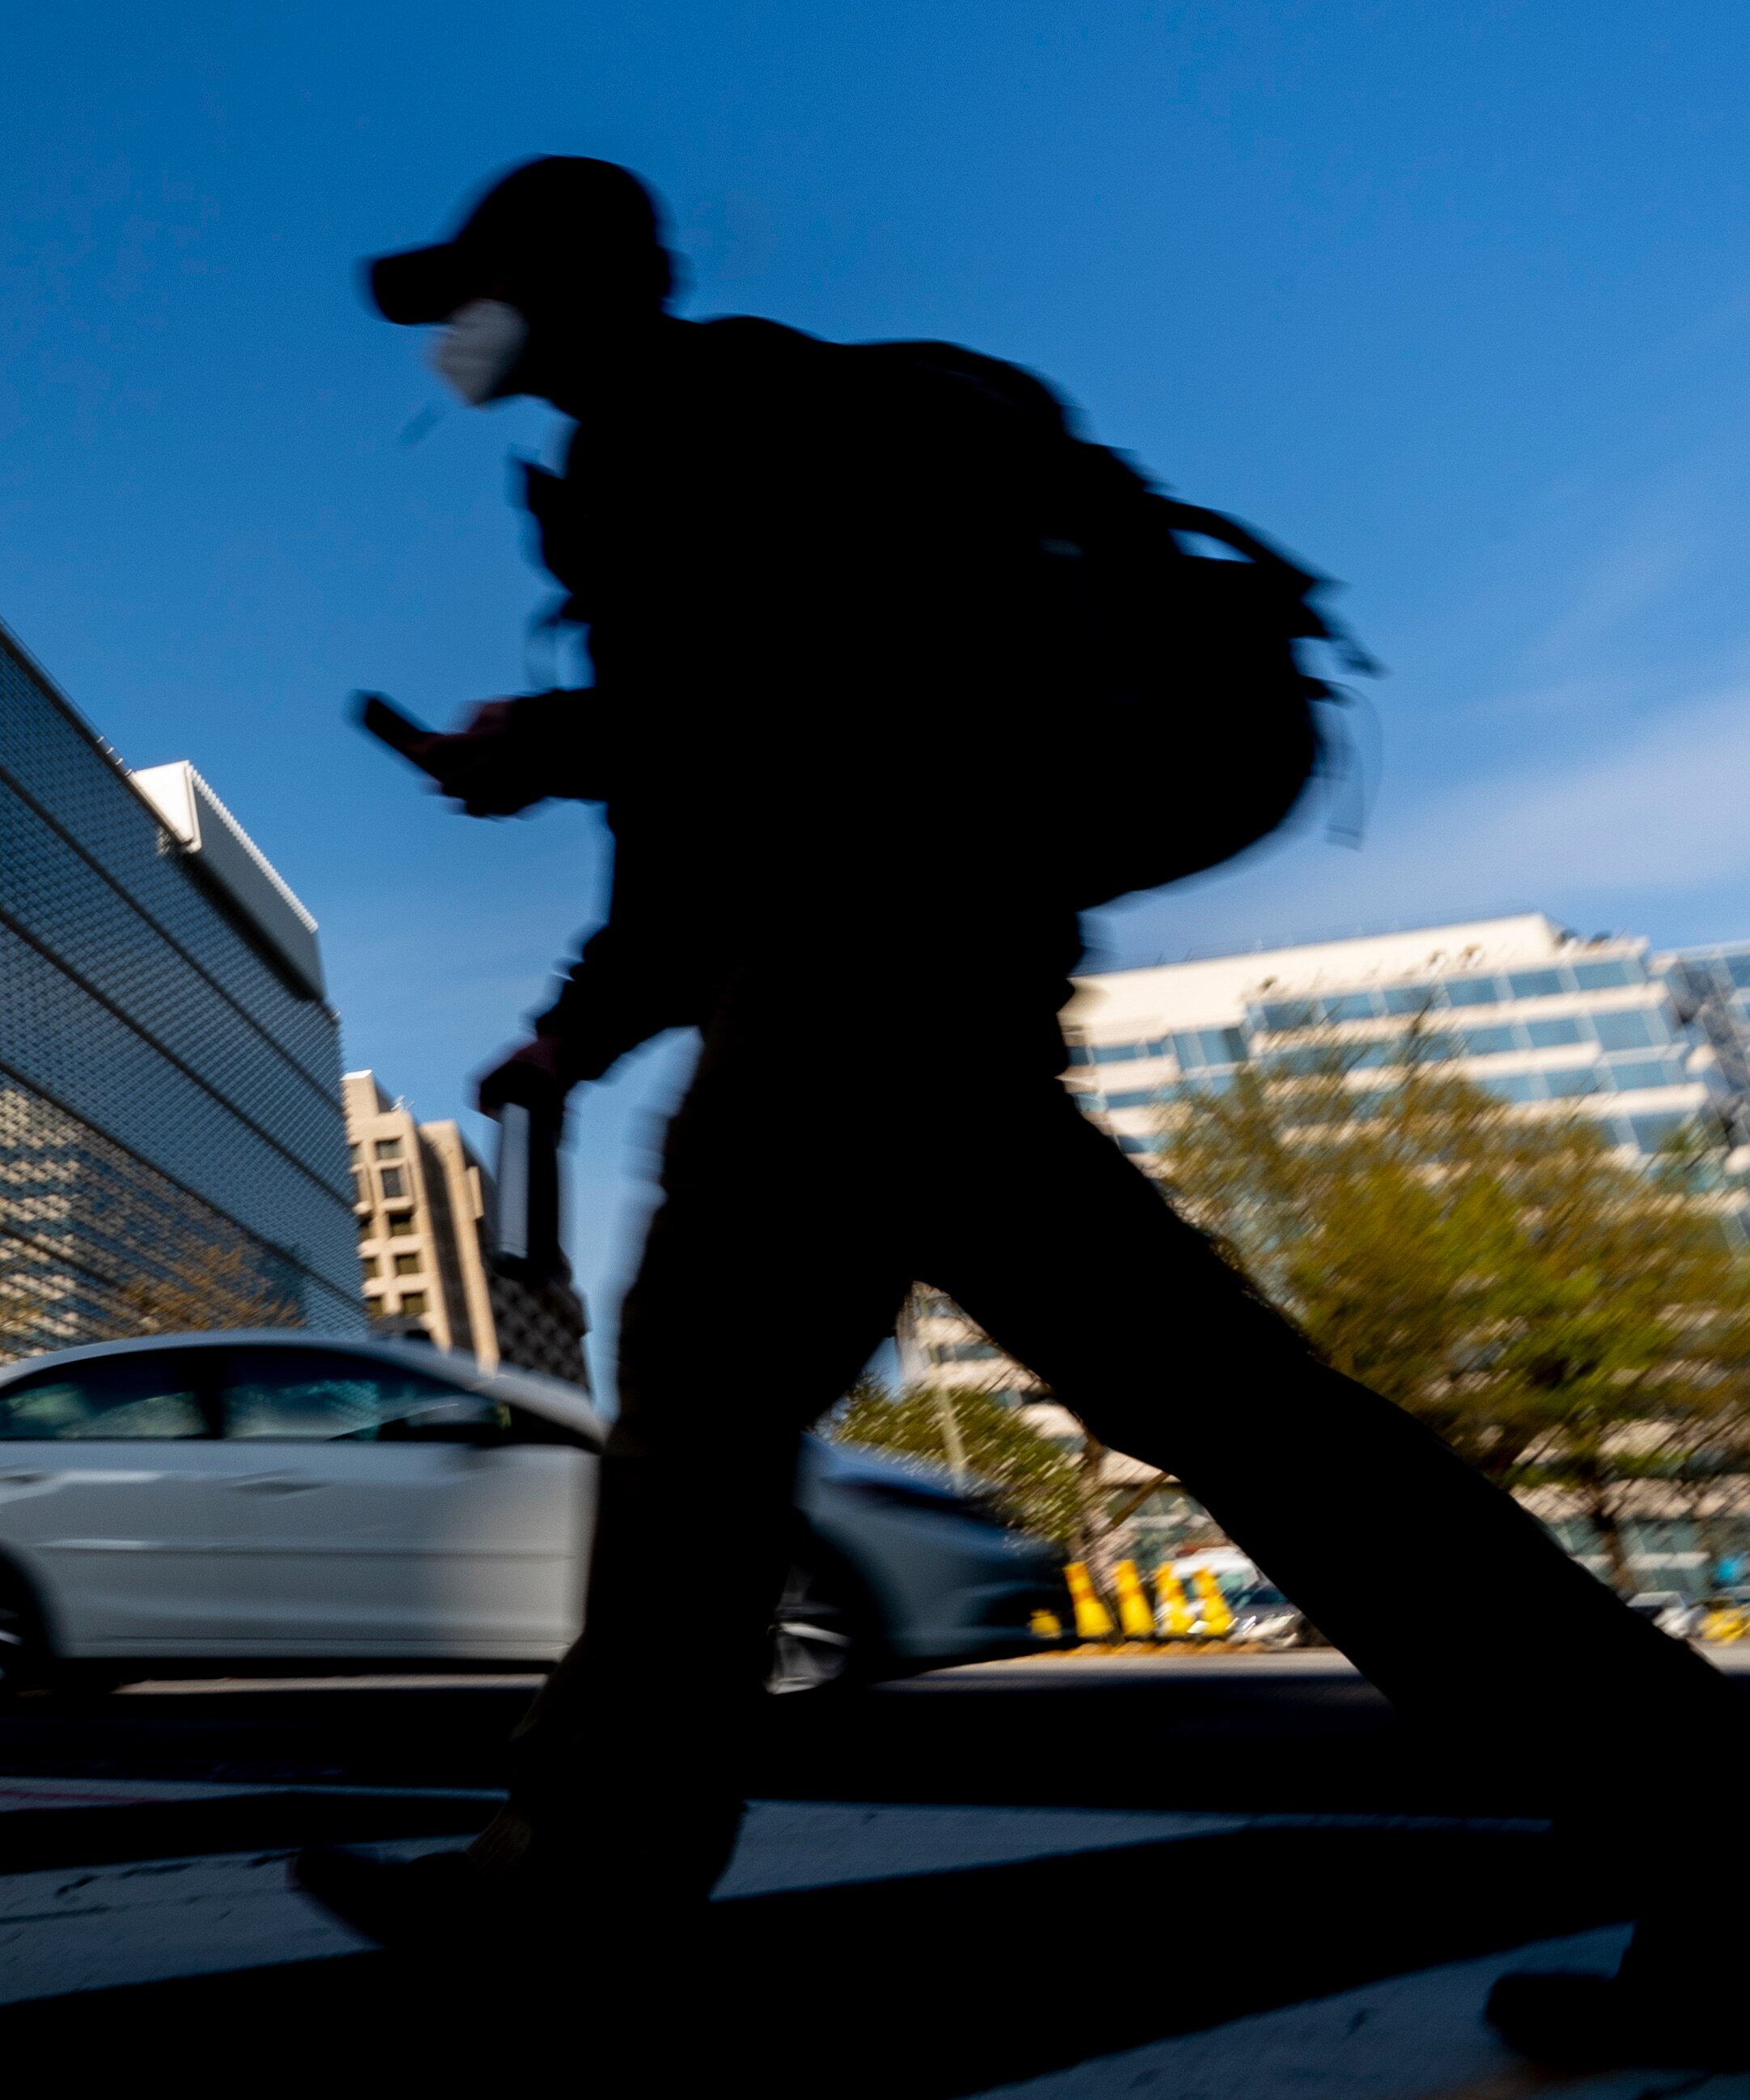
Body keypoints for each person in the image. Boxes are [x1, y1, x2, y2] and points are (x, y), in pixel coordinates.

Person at [292, 156, 1745, 2068]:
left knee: (707, 1429)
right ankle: (1711, 1814)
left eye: (468, 301)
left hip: (857, 987)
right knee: (1233, 1418)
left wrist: (538, 745)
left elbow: (780, 727)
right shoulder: (753, 420)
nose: (451, 344)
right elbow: (721, 825)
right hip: (922, 970)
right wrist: (578, 1025)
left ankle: (567, 1894)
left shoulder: (684, 435)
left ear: (554, 291)